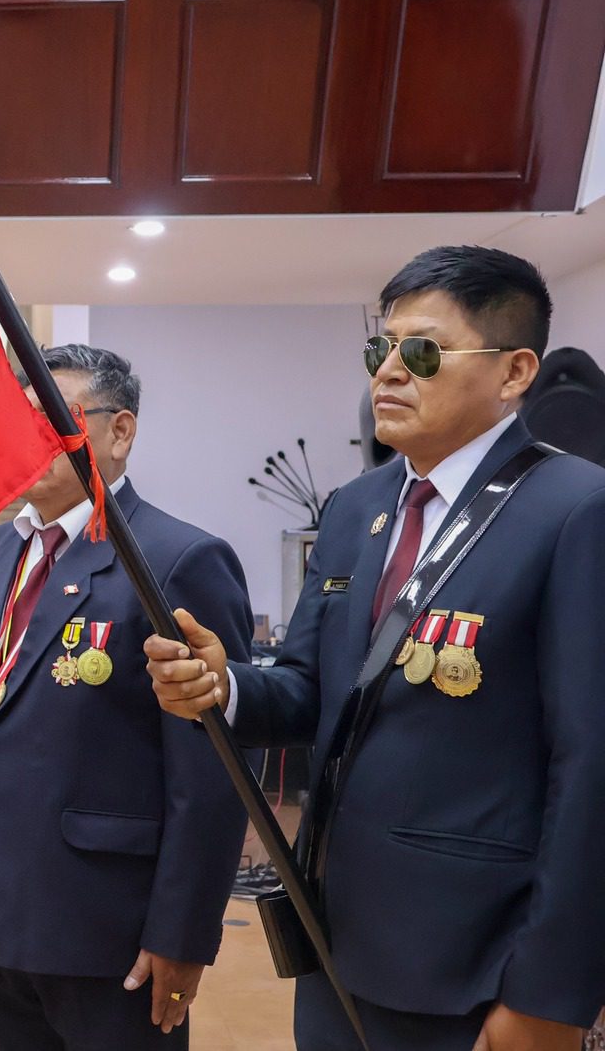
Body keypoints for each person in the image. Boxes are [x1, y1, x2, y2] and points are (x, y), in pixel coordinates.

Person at [147, 246, 605, 1051]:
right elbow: (312, 687)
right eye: (380, 349)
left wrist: (550, 995)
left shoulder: (574, 509)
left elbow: (592, 766)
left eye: (422, 351)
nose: (389, 371)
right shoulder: (358, 507)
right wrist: (226, 685)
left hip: (474, 961)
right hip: (338, 940)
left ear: (514, 371)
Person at [0, 346, 252, 1050]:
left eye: (55, 419)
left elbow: (211, 774)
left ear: (120, 431)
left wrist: (184, 933)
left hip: (105, 930)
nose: (29, 440)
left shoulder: (174, 559)